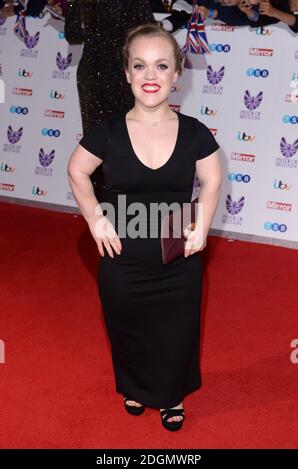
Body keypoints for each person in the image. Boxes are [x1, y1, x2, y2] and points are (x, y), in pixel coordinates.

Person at [67, 23, 221, 431]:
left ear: (176, 75)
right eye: (140, 66)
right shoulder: (108, 131)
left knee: (177, 327)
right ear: (126, 74)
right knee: (127, 324)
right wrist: (95, 219)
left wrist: (202, 224)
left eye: (161, 66)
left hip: (177, 250)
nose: (150, 76)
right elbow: (76, 171)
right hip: (123, 253)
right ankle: (134, 385)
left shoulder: (195, 133)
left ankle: (171, 395)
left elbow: (212, 180)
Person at [64, 0, 154, 197]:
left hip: (92, 73)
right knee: (126, 141)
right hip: (122, 73)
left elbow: (73, 35)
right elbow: (149, 31)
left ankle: (100, 214)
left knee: (96, 144)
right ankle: (124, 211)